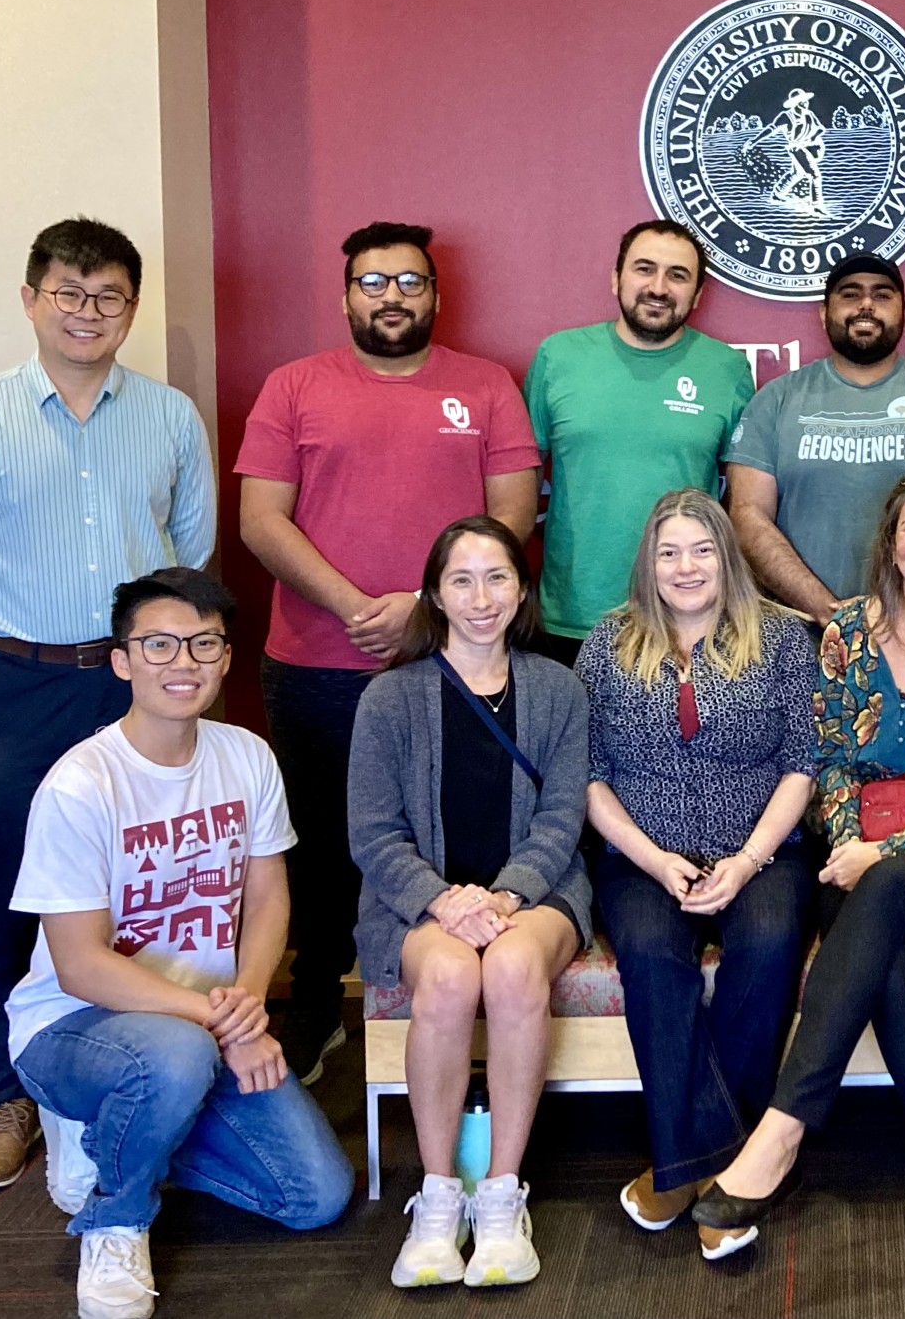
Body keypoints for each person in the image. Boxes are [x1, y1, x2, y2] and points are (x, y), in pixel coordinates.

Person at [0, 217, 215, 1194]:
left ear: (130, 307)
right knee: (10, 890)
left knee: (149, 889)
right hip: (13, 683)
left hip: (133, 683)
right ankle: (9, 1097)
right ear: (32, 299)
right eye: (69, 293)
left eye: (109, 295)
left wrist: (149, 659)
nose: (88, 312)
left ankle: (150, 1081)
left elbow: (190, 553)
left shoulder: (167, 418)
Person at [693, 470, 905, 1267]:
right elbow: (832, 765)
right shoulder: (847, 631)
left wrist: (877, 855)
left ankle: (779, 1133)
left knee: (877, 893)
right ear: (889, 543)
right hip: (858, 861)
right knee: (889, 962)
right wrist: (851, 845)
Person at [236, 222, 541, 1081]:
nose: (392, 297)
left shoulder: (484, 386)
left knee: (452, 830)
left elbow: (513, 511)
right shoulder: (294, 386)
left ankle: (449, 998)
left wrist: (422, 607)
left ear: (436, 295)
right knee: (322, 843)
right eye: (373, 283)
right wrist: (351, 606)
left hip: (451, 659)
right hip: (315, 660)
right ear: (346, 296)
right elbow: (262, 520)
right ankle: (313, 1010)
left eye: (409, 282)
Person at [4, 569, 352, 1319]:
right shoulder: (81, 785)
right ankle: (116, 1218)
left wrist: (248, 1000)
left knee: (314, 1196)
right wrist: (218, 1023)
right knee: (175, 1057)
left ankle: (124, 1136)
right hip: (74, 1029)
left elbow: (268, 900)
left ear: (227, 658)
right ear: (122, 660)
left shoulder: (246, 757)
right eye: (158, 645)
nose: (183, 662)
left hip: (204, 1020)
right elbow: (80, 964)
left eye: (203, 644)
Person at [347, 516, 590, 1288]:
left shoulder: (558, 687)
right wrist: (444, 903)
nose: (481, 597)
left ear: (521, 590)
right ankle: (438, 1194)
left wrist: (508, 894)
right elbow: (373, 833)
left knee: (516, 970)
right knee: (450, 978)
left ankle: (500, 1195)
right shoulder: (390, 698)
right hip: (419, 903)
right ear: (434, 595)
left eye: (497, 578)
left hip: (537, 891)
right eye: (461, 580)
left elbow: (563, 817)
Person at [575, 489, 817, 1261]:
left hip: (763, 852)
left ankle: (683, 1168)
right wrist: (654, 859)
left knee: (772, 942)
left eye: (702, 549)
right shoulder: (607, 643)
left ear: (727, 556)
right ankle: (724, 1165)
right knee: (650, 957)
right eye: (669, 551)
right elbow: (589, 775)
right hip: (644, 859)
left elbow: (802, 764)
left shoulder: (781, 638)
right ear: (649, 561)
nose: (686, 566)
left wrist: (746, 861)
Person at [525, 220, 755, 664]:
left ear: (698, 294)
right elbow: (519, 487)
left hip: (685, 618)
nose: (658, 287)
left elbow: (744, 506)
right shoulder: (558, 357)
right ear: (616, 278)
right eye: (644, 269)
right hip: (572, 619)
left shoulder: (726, 369)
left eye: (677, 275)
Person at [726, 254, 905, 622]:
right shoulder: (776, 399)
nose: (867, 304)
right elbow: (747, 516)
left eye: (882, 295)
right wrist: (831, 613)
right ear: (824, 313)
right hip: (798, 633)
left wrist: (895, 619)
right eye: (850, 294)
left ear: (904, 310)